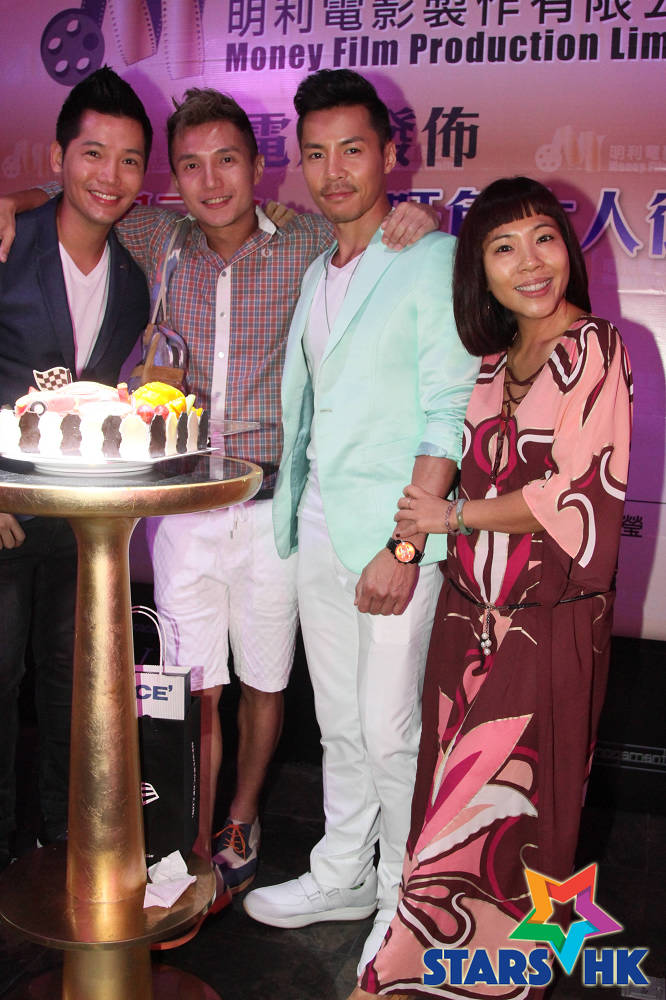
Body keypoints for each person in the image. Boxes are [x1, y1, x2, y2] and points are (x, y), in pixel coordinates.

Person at [0, 86, 436, 908]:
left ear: (258, 165)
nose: (210, 181)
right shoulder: (157, 236)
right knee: (190, 682)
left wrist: (417, 216)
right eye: (190, 166)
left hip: (273, 509)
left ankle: (242, 819)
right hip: (183, 512)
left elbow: (375, 222)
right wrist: (16, 198)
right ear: (174, 178)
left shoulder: (308, 238)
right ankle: (190, 831)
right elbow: (83, 193)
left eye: (226, 161)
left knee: (266, 680)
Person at [351, 176, 633, 1000]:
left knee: (509, 815)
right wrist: (423, 533)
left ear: (567, 248)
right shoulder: (490, 361)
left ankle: (428, 977)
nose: (530, 263)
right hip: (465, 621)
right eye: (503, 248)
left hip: (546, 624)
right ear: (480, 271)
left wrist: (450, 515)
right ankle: (448, 970)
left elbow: (573, 495)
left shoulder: (596, 347)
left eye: (543, 238)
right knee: (454, 804)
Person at [243, 69, 479, 976]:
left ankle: (401, 900)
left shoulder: (431, 257)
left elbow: (448, 412)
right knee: (339, 723)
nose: (334, 170)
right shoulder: (316, 270)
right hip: (319, 525)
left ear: (389, 153)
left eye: (353, 149)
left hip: (394, 539)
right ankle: (342, 872)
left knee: (389, 731)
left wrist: (407, 544)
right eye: (316, 153)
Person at [0, 67, 151, 869]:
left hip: (79, 522)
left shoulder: (132, 274)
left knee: (70, 680)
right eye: (94, 153)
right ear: (60, 157)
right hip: (2, 510)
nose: (109, 176)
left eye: (129, 160)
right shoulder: (10, 240)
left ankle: (65, 844)